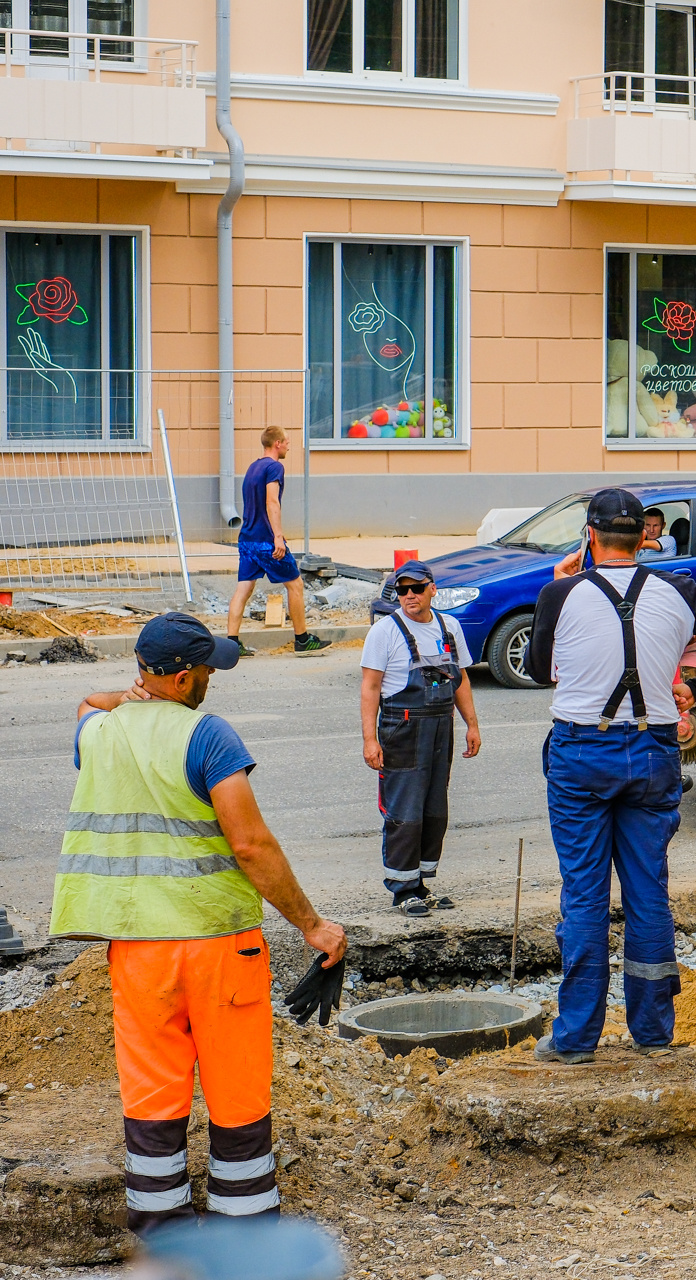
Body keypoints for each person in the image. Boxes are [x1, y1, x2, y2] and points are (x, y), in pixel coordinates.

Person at [49, 613, 347, 1237]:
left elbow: (87, 702)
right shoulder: (208, 737)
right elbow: (251, 846)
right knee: (235, 1084)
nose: (212, 677)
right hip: (218, 945)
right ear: (185, 677)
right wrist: (312, 925)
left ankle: (163, 1232)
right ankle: (242, 1226)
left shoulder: (98, 734)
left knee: (152, 1088)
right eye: (208, 668)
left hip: (139, 950)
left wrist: (125, 696)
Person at [526, 488, 696, 1062]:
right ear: (646, 538)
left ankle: (576, 1038)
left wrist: (558, 585)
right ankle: (653, 1032)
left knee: (584, 896)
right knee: (647, 893)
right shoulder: (680, 590)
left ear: (589, 537)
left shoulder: (561, 593)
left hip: (581, 752)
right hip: (653, 749)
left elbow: (540, 671)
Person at [359, 560, 482, 916]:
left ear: (432, 589)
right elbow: (370, 688)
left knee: (434, 810)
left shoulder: (449, 626)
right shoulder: (385, 631)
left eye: (415, 588)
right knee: (405, 812)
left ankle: (422, 882)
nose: (409, 596)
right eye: (402, 590)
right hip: (403, 728)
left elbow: (460, 681)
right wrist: (370, 739)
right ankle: (402, 890)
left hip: (440, 726)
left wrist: (471, 725)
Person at [226, 427, 329, 656]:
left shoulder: (253, 467)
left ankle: (232, 643)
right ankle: (302, 640)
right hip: (266, 541)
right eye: (287, 442)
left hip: (247, 539)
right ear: (278, 444)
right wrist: (278, 537)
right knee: (295, 585)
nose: (289, 446)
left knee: (243, 588)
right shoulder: (274, 467)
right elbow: (272, 502)